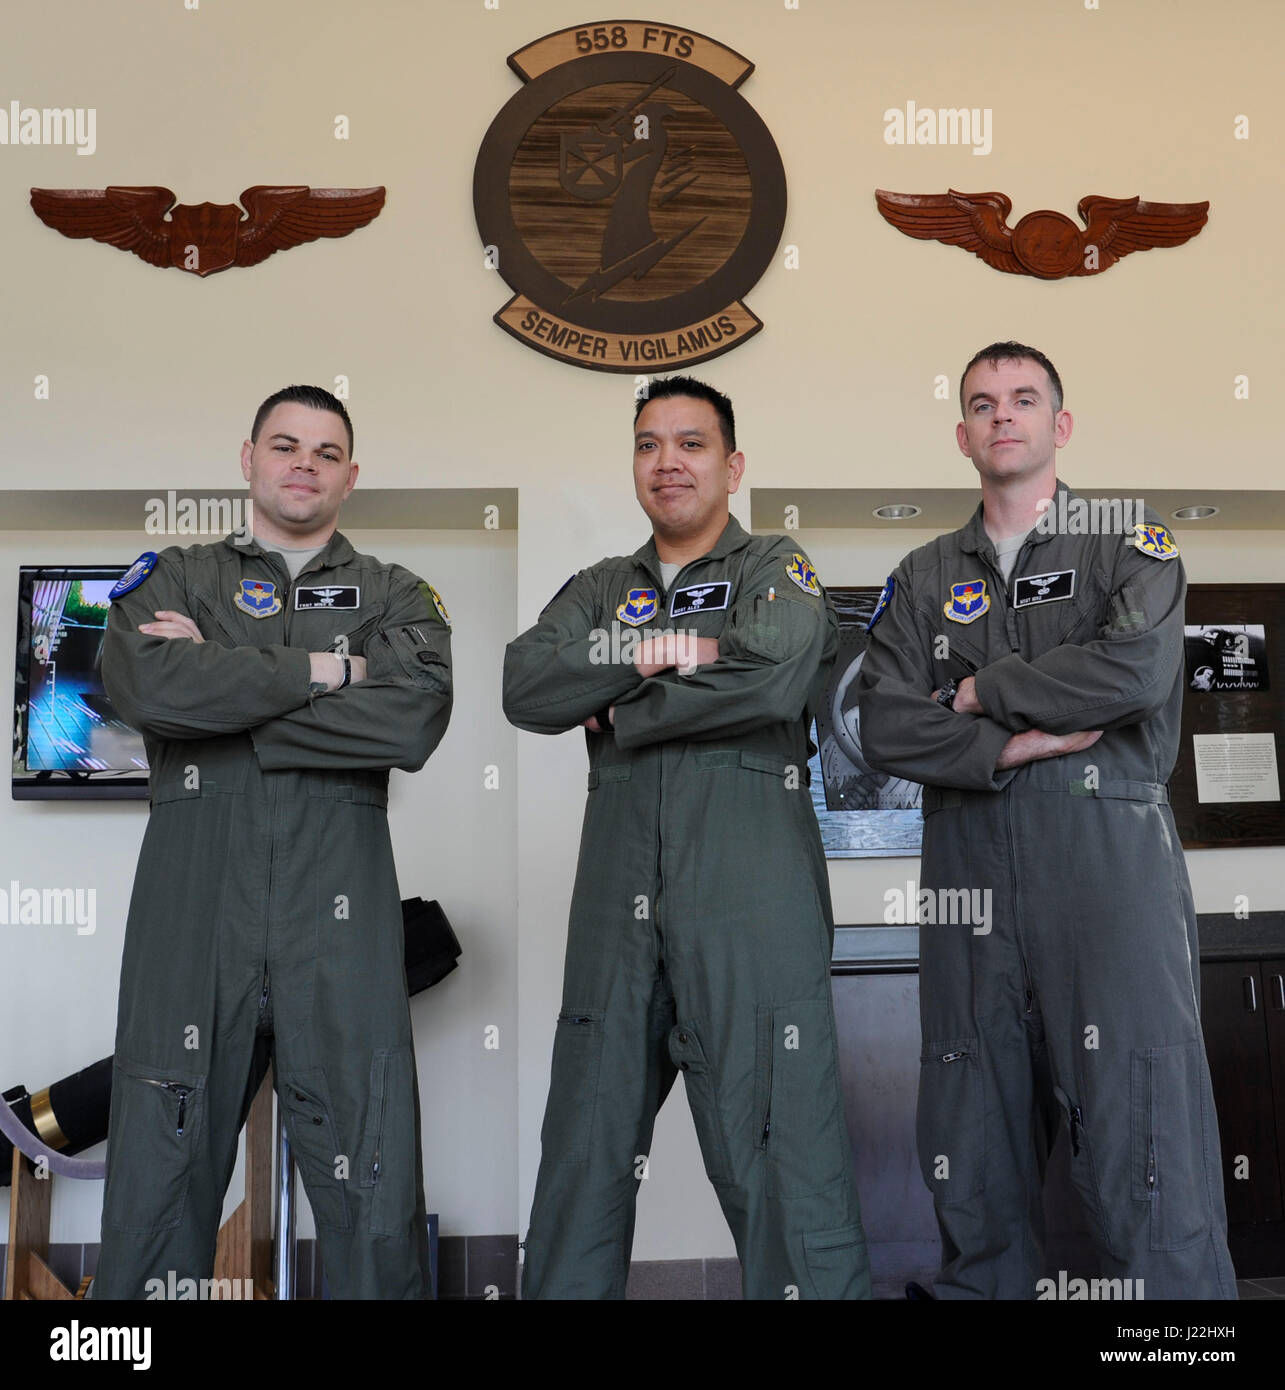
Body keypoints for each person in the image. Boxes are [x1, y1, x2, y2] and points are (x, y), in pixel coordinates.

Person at [856, 342, 1236, 1299]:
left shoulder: (1127, 541)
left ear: (1059, 425)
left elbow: (1136, 672)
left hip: (1108, 874)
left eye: (1023, 398)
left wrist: (979, 689)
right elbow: (881, 721)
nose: (1003, 415)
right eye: (982, 403)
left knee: (1143, 1127)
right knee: (970, 1136)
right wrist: (1003, 747)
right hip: (968, 881)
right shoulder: (922, 571)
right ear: (962, 435)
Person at [504, 376, 870, 1300]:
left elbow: (775, 674)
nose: (667, 462)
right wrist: (671, 647)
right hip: (614, 916)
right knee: (583, 1154)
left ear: (732, 464)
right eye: (648, 444)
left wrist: (621, 709)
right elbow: (528, 686)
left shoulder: (775, 569)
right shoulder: (600, 587)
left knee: (782, 1157)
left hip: (750, 903)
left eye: (691, 443)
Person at [90, 385, 452, 1299]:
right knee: (158, 1170)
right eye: (285, 445)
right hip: (193, 912)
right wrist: (329, 671)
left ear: (351, 477)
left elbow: (407, 724)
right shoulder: (174, 578)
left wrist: (220, 690)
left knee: (369, 1170)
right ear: (248, 459)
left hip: (337, 919)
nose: (304, 464)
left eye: (326, 453)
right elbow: (144, 685)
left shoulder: (396, 594)